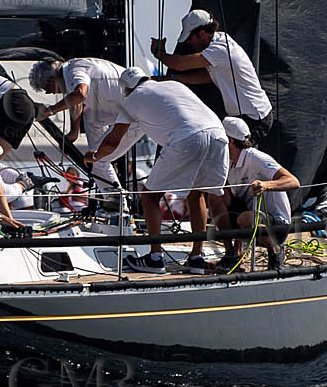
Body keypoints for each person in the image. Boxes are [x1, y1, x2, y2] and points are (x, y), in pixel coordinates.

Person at [85, 67, 228, 274]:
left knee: (150, 196)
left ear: (126, 89)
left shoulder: (133, 98)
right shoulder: (173, 85)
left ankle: (154, 258)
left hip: (187, 139)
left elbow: (114, 139)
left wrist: (96, 156)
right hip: (218, 136)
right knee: (197, 195)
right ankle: (196, 257)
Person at [151, 9, 273, 142]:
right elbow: (206, 76)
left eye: (189, 38)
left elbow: (180, 63)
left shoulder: (221, 48)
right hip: (243, 117)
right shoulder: (217, 46)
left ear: (202, 33)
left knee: (240, 159)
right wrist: (173, 78)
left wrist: (160, 54)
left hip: (254, 117)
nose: (188, 43)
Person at [28, 57, 144, 189]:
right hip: (125, 108)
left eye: (46, 88)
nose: (50, 93)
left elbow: (80, 94)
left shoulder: (73, 71)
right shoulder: (73, 67)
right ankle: (96, 155)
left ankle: (117, 202)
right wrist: (73, 133)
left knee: (97, 159)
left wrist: (49, 110)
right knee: (89, 114)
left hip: (136, 114)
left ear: (52, 80)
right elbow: (77, 101)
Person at [210, 117, 300, 272]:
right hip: (250, 217)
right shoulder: (228, 163)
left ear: (230, 140)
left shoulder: (256, 158)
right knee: (215, 195)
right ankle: (232, 254)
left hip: (276, 223)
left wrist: (266, 185)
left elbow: (293, 181)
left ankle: (276, 251)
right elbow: (237, 200)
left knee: (246, 218)